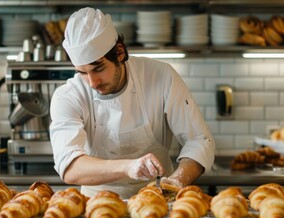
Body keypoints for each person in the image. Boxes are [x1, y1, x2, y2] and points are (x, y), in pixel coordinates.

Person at [49, 7, 215, 199]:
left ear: (120, 53)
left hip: (158, 201)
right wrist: (129, 166)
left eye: (99, 68)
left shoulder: (161, 77)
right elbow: (69, 166)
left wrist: (175, 183)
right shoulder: (68, 96)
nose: (93, 82)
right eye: (82, 72)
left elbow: (199, 141)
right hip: (95, 204)